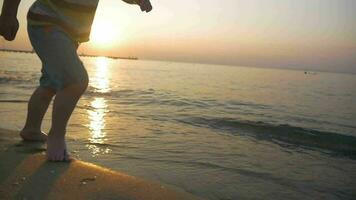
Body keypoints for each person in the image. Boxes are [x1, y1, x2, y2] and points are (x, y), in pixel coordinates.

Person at [0, 0, 152, 161]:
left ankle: (31, 129)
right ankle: (56, 137)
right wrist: (8, 14)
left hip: (70, 32)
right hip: (47, 22)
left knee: (50, 83)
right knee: (75, 80)